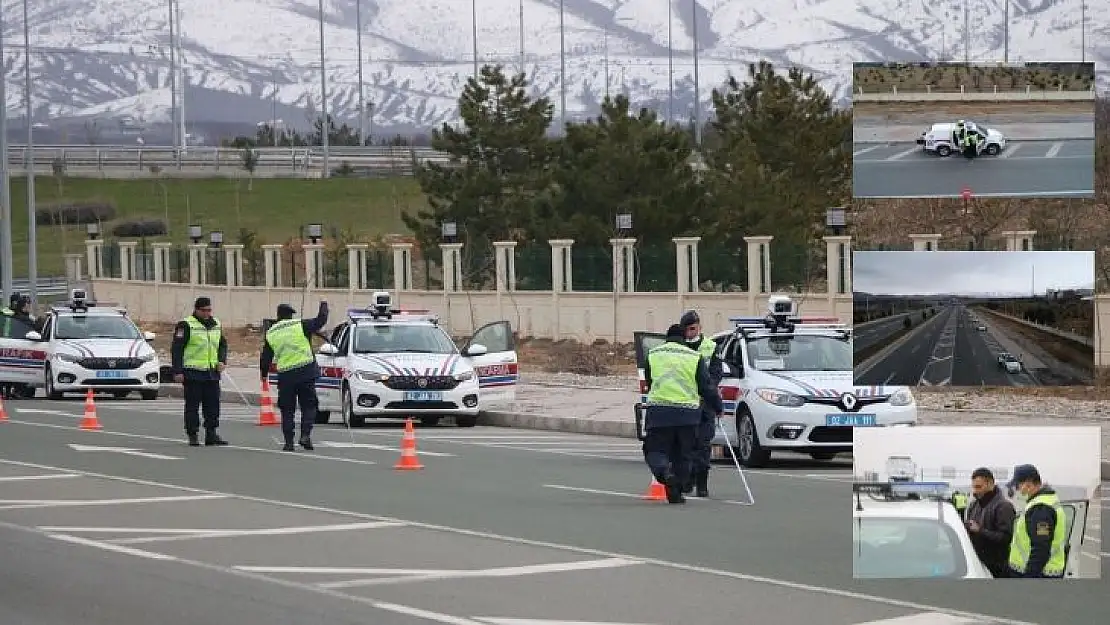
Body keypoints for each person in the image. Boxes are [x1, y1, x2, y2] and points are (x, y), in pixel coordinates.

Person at [642, 323, 723, 504]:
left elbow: (649, 381)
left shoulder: (653, 354)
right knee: (683, 454)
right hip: (688, 414)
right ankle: (676, 492)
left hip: (660, 412)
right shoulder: (694, 357)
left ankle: (664, 472)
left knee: (655, 450)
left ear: (667, 338)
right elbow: (706, 387)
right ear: (684, 338)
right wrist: (718, 406)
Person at [260, 301, 329, 451]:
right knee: (309, 406)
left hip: (286, 376)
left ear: (278, 316)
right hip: (306, 372)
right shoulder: (300, 324)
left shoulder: (271, 332)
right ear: (291, 315)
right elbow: (321, 320)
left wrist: (263, 374)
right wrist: (324, 305)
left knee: (287, 409)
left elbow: (266, 356)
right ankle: (305, 436)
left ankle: (288, 442)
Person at [170, 297, 229, 447]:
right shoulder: (186, 324)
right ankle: (193, 434)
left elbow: (222, 344)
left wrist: (222, 360)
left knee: (213, 405)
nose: (207, 313)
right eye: (204, 310)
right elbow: (177, 349)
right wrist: (177, 371)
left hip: (211, 372)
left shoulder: (216, 324)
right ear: (197, 309)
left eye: (209, 310)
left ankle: (211, 434)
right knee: (192, 405)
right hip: (192, 372)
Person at [679, 310, 721, 498]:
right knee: (687, 443)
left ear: (699, 327)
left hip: (704, 403)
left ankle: (702, 483)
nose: (690, 333)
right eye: (687, 330)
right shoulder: (679, 347)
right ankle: (689, 478)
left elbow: (715, 373)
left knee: (703, 444)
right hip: (685, 402)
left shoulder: (710, 347)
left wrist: (708, 393)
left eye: (693, 329)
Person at [1006, 464, 1067, 578]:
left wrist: (1030, 578)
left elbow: (1041, 549)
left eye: (1018, 485)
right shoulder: (1045, 501)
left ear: (1028, 483)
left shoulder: (1040, 508)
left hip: (1038, 573)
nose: (1017, 490)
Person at [965, 467, 1017, 578]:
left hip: (997, 570)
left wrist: (980, 530)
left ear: (991, 484)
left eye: (979, 487)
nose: (975, 491)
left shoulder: (1004, 507)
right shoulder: (974, 505)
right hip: (977, 565)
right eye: (974, 487)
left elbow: (1005, 538)